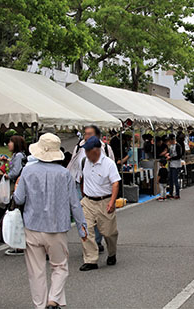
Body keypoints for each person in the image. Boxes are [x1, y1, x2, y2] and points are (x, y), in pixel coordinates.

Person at [13, 133, 87, 309]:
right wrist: (82, 227)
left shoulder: (28, 171)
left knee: (36, 271)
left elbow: (19, 198)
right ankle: (54, 299)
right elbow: (74, 203)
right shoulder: (64, 174)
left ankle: (40, 305)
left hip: (32, 226)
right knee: (60, 267)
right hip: (56, 228)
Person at [68, 125, 115, 253]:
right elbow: (72, 164)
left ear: (97, 136)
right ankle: (90, 245)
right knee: (84, 217)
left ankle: (97, 241)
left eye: (90, 134)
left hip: (100, 188)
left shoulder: (105, 148)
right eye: (85, 133)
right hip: (80, 184)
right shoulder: (79, 147)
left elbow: (112, 167)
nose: (86, 136)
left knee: (99, 218)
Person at [79, 136, 121, 272]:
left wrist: (112, 201)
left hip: (105, 201)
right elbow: (82, 179)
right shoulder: (85, 161)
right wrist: (83, 195)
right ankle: (91, 260)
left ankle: (112, 253)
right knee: (87, 230)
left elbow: (115, 183)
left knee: (109, 233)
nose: (85, 153)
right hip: (88, 202)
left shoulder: (108, 164)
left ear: (96, 150)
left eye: (88, 151)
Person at [1, 135, 28, 256]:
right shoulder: (20, 155)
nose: (8, 144)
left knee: (16, 214)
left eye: (10, 142)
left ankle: (19, 245)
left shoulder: (18, 156)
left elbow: (16, 172)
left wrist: (8, 175)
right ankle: (19, 244)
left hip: (17, 187)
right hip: (20, 186)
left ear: (16, 143)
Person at [166, 134, 183, 199]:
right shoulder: (171, 146)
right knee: (170, 179)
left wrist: (171, 158)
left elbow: (179, 156)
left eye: (169, 140)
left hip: (176, 164)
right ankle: (170, 193)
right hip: (171, 164)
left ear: (172, 139)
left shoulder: (178, 146)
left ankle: (177, 193)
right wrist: (168, 154)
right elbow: (170, 153)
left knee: (175, 179)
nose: (169, 141)